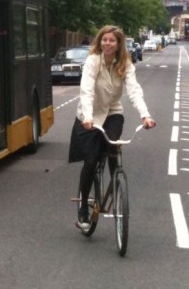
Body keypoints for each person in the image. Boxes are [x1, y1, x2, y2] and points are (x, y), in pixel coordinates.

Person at [68, 25, 156, 230]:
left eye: (112, 40)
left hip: (112, 112)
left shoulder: (125, 63)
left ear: (118, 44)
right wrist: (88, 118)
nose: (107, 43)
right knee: (90, 161)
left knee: (113, 148)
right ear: (100, 42)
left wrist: (146, 115)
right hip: (88, 115)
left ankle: (117, 190)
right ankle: (83, 209)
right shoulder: (92, 61)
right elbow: (87, 91)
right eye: (104, 40)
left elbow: (134, 91)